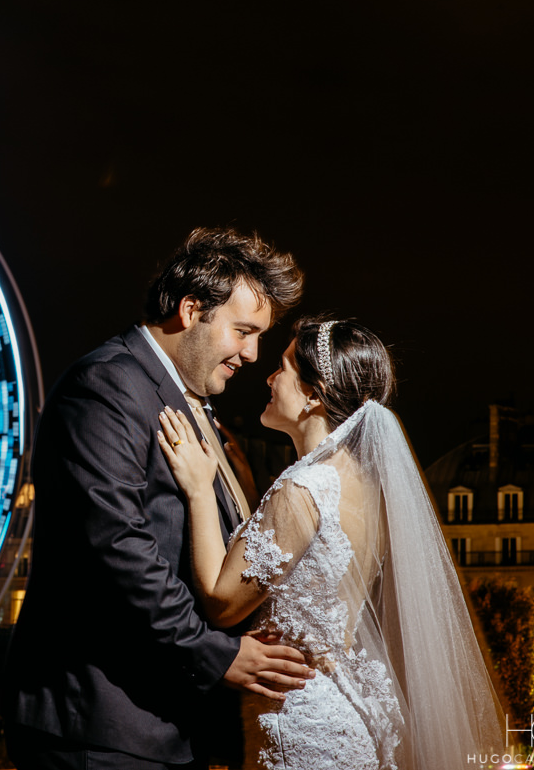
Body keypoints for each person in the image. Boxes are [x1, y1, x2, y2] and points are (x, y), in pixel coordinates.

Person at [4, 227, 313, 769]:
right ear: (191, 309)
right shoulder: (107, 385)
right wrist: (218, 657)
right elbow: (114, 547)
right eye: (242, 330)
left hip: (161, 724)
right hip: (101, 724)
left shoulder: (182, 398)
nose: (252, 353)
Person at [155, 317, 505, 769]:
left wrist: (201, 491)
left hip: (300, 723)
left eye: (283, 366)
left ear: (314, 395)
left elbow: (223, 602)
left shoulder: (303, 488)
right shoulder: (363, 487)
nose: (268, 375)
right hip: (342, 712)